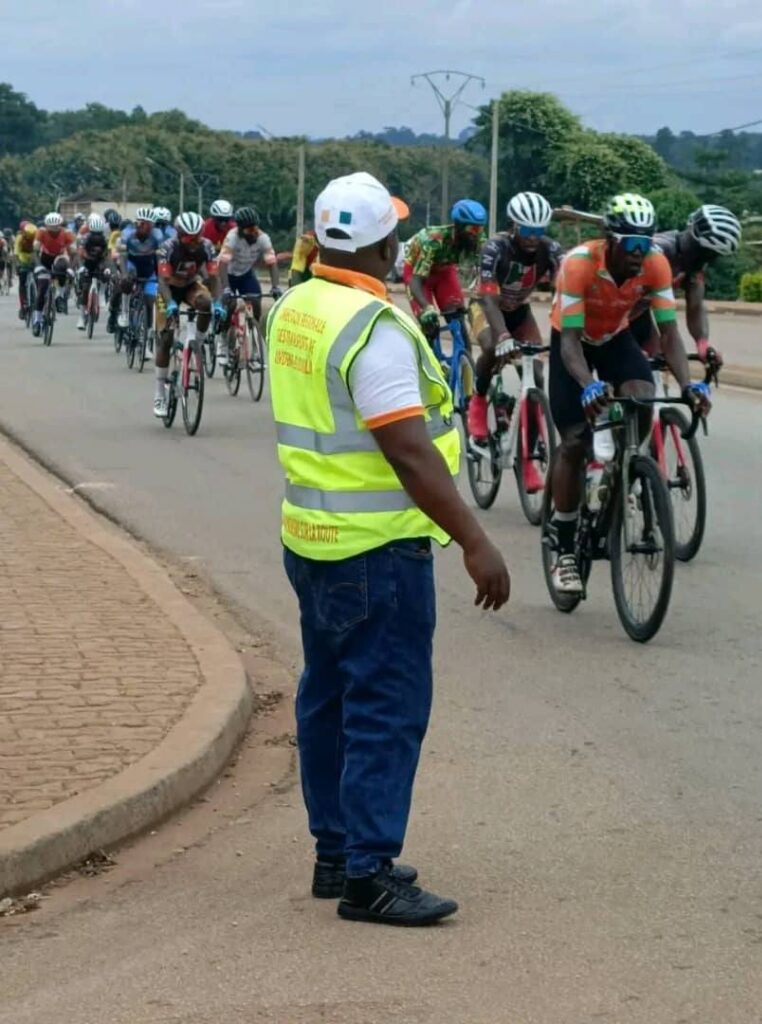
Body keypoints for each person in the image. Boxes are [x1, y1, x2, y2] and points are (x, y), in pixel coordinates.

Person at [267, 171, 510, 926]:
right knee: (385, 705)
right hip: (377, 550)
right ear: (383, 247)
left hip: (312, 538)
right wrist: (475, 540)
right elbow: (408, 449)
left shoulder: (297, 306)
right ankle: (368, 875)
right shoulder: (370, 329)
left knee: (328, 695)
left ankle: (336, 853)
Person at [548, 192, 711, 594]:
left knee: (641, 393)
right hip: (572, 342)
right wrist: (588, 386)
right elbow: (570, 343)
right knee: (573, 441)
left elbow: (669, 333)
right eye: (633, 243)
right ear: (611, 241)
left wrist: (689, 385)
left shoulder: (655, 264)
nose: (641, 252)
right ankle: (564, 548)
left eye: (647, 242)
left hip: (615, 337)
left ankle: (624, 469)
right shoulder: (579, 264)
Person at [467, 191, 561, 442]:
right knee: (491, 347)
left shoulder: (551, 250)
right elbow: (489, 298)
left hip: (519, 311)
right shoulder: (494, 248)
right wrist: (503, 335)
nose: (533, 237)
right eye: (527, 230)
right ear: (514, 226)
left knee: (537, 375)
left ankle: (528, 446)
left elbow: (563, 293)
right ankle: (478, 400)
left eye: (538, 231)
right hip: (485, 306)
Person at [629, 203, 741, 367]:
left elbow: (695, 306)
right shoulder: (659, 250)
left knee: (659, 356)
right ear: (692, 235)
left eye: (711, 256)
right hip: (608, 310)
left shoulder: (694, 264)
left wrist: (702, 344)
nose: (704, 260)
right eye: (703, 252)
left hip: (637, 315)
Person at [155, 212, 221, 417]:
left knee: (206, 303)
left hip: (190, 285)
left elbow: (214, 277)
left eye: (197, 238)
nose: (193, 243)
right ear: (178, 234)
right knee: (166, 338)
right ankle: (159, 393)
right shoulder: (167, 248)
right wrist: (170, 304)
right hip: (168, 289)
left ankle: (197, 344)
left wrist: (218, 302)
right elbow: (163, 281)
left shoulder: (207, 246)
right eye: (188, 238)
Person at [402, 199, 487, 339]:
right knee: (429, 322)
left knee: (457, 317)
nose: (476, 234)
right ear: (458, 226)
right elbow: (416, 281)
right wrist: (427, 308)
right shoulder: (434, 240)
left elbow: (485, 275)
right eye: (472, 229)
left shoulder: (479, 240)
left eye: (480, 229)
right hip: (417, 273)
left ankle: (463, 352)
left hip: (444, 271)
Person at [217, 206, 281, 363]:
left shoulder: (263, 238)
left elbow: (272, 263)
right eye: (249, 229)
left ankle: (255, 344)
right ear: (240, 229)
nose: (253, 232)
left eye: (255, 228)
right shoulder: (232, 238)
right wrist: (226, 288)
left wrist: (275, 286)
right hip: (228, 274)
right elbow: (222, 265)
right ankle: (223, 340)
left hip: (246, 274)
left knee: (256, 302)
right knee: (230, 304)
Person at [108, 207, 163, 334]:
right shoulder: (127, 234)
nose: (144, 226)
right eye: (141, 223)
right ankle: (124, 313)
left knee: (151, 299)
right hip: (131, 265)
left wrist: (161, 277)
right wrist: (124, 275)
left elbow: (159, 259)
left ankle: (148, 331)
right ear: (136, 223)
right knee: (125, 283)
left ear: (152, 225)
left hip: (148, 268)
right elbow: (123, 257)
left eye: (148, 224)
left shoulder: (157, 236)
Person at [31, 212, 77, 336]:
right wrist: (38, 266)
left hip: (59, 257)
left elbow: (74, 253)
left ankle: (60, 296)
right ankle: (37, 320)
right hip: (44, 258)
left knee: (62, 269)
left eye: (56, 227)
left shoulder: (66, 233)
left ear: (60, 225)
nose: (54, 230)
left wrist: (71, 268)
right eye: (51, 227)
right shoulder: (41, 232)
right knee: (41, 290)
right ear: (46, 226)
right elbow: (35, 252)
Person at [75, 214, 110, 330]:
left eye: (99, 234)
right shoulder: (84, 238)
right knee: (85, 288)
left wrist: (107, 267)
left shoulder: (104, 239)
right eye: (94, 234)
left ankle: (102, 294)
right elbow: (80, 253)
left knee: (106, 275)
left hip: (99, 262)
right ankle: (81, 317)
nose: (97, 236)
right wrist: (81, 266)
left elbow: (107, 255)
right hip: (87, 263)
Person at [15, 222, 37, 319]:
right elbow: (16, 253)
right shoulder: (19, 238)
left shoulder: (36, 237)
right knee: (22, 283)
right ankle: (23, 305)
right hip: (22, 261)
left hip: (33, 260)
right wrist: (17, 264)